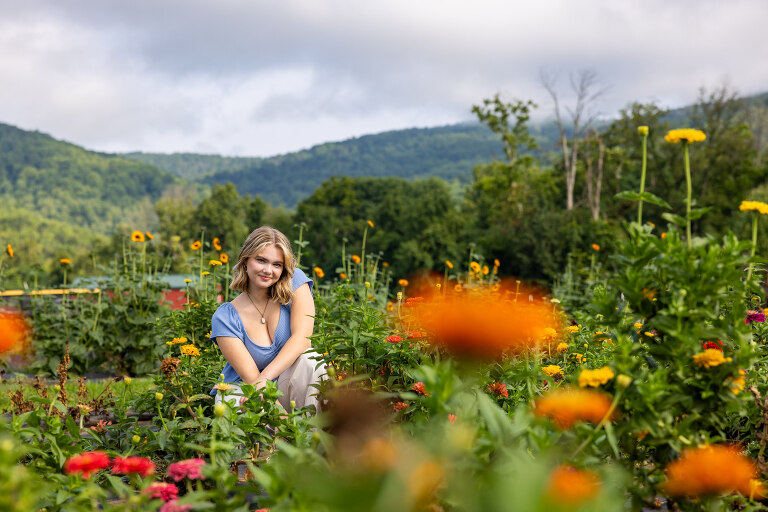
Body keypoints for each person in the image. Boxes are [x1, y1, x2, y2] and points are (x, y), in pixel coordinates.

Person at [209, 226, 325, 412]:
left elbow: (303, 338)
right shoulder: (225, 317)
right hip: (246, 390)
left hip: (286, 385)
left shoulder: (294, 283)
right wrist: (288, 427)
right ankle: (277, 439)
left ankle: (315, 436)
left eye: (277, 264)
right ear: (245, 260)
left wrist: (264, 380)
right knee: (234, 404)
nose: (268, 270)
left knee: (311, 361)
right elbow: (253, 382)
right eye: (261, 260)